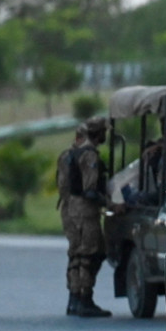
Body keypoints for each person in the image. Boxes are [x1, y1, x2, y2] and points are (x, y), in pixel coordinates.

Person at [64, 116, 112, 317]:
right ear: (99, 133)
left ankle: (74, 298)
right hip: (86, 212)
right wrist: (111, 204)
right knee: (90, 254)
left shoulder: (74, 152)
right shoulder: (90, 155)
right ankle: (85, 298)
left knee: (77, 254)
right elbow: (90, 190)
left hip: (73, 210)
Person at [57, 123, 88, 315]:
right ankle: (79, 297)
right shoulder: (79, 157)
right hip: (76, 208)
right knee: (81, 253)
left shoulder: (65, 156)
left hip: (68, 208)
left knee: (75, 253)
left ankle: (74, 297)